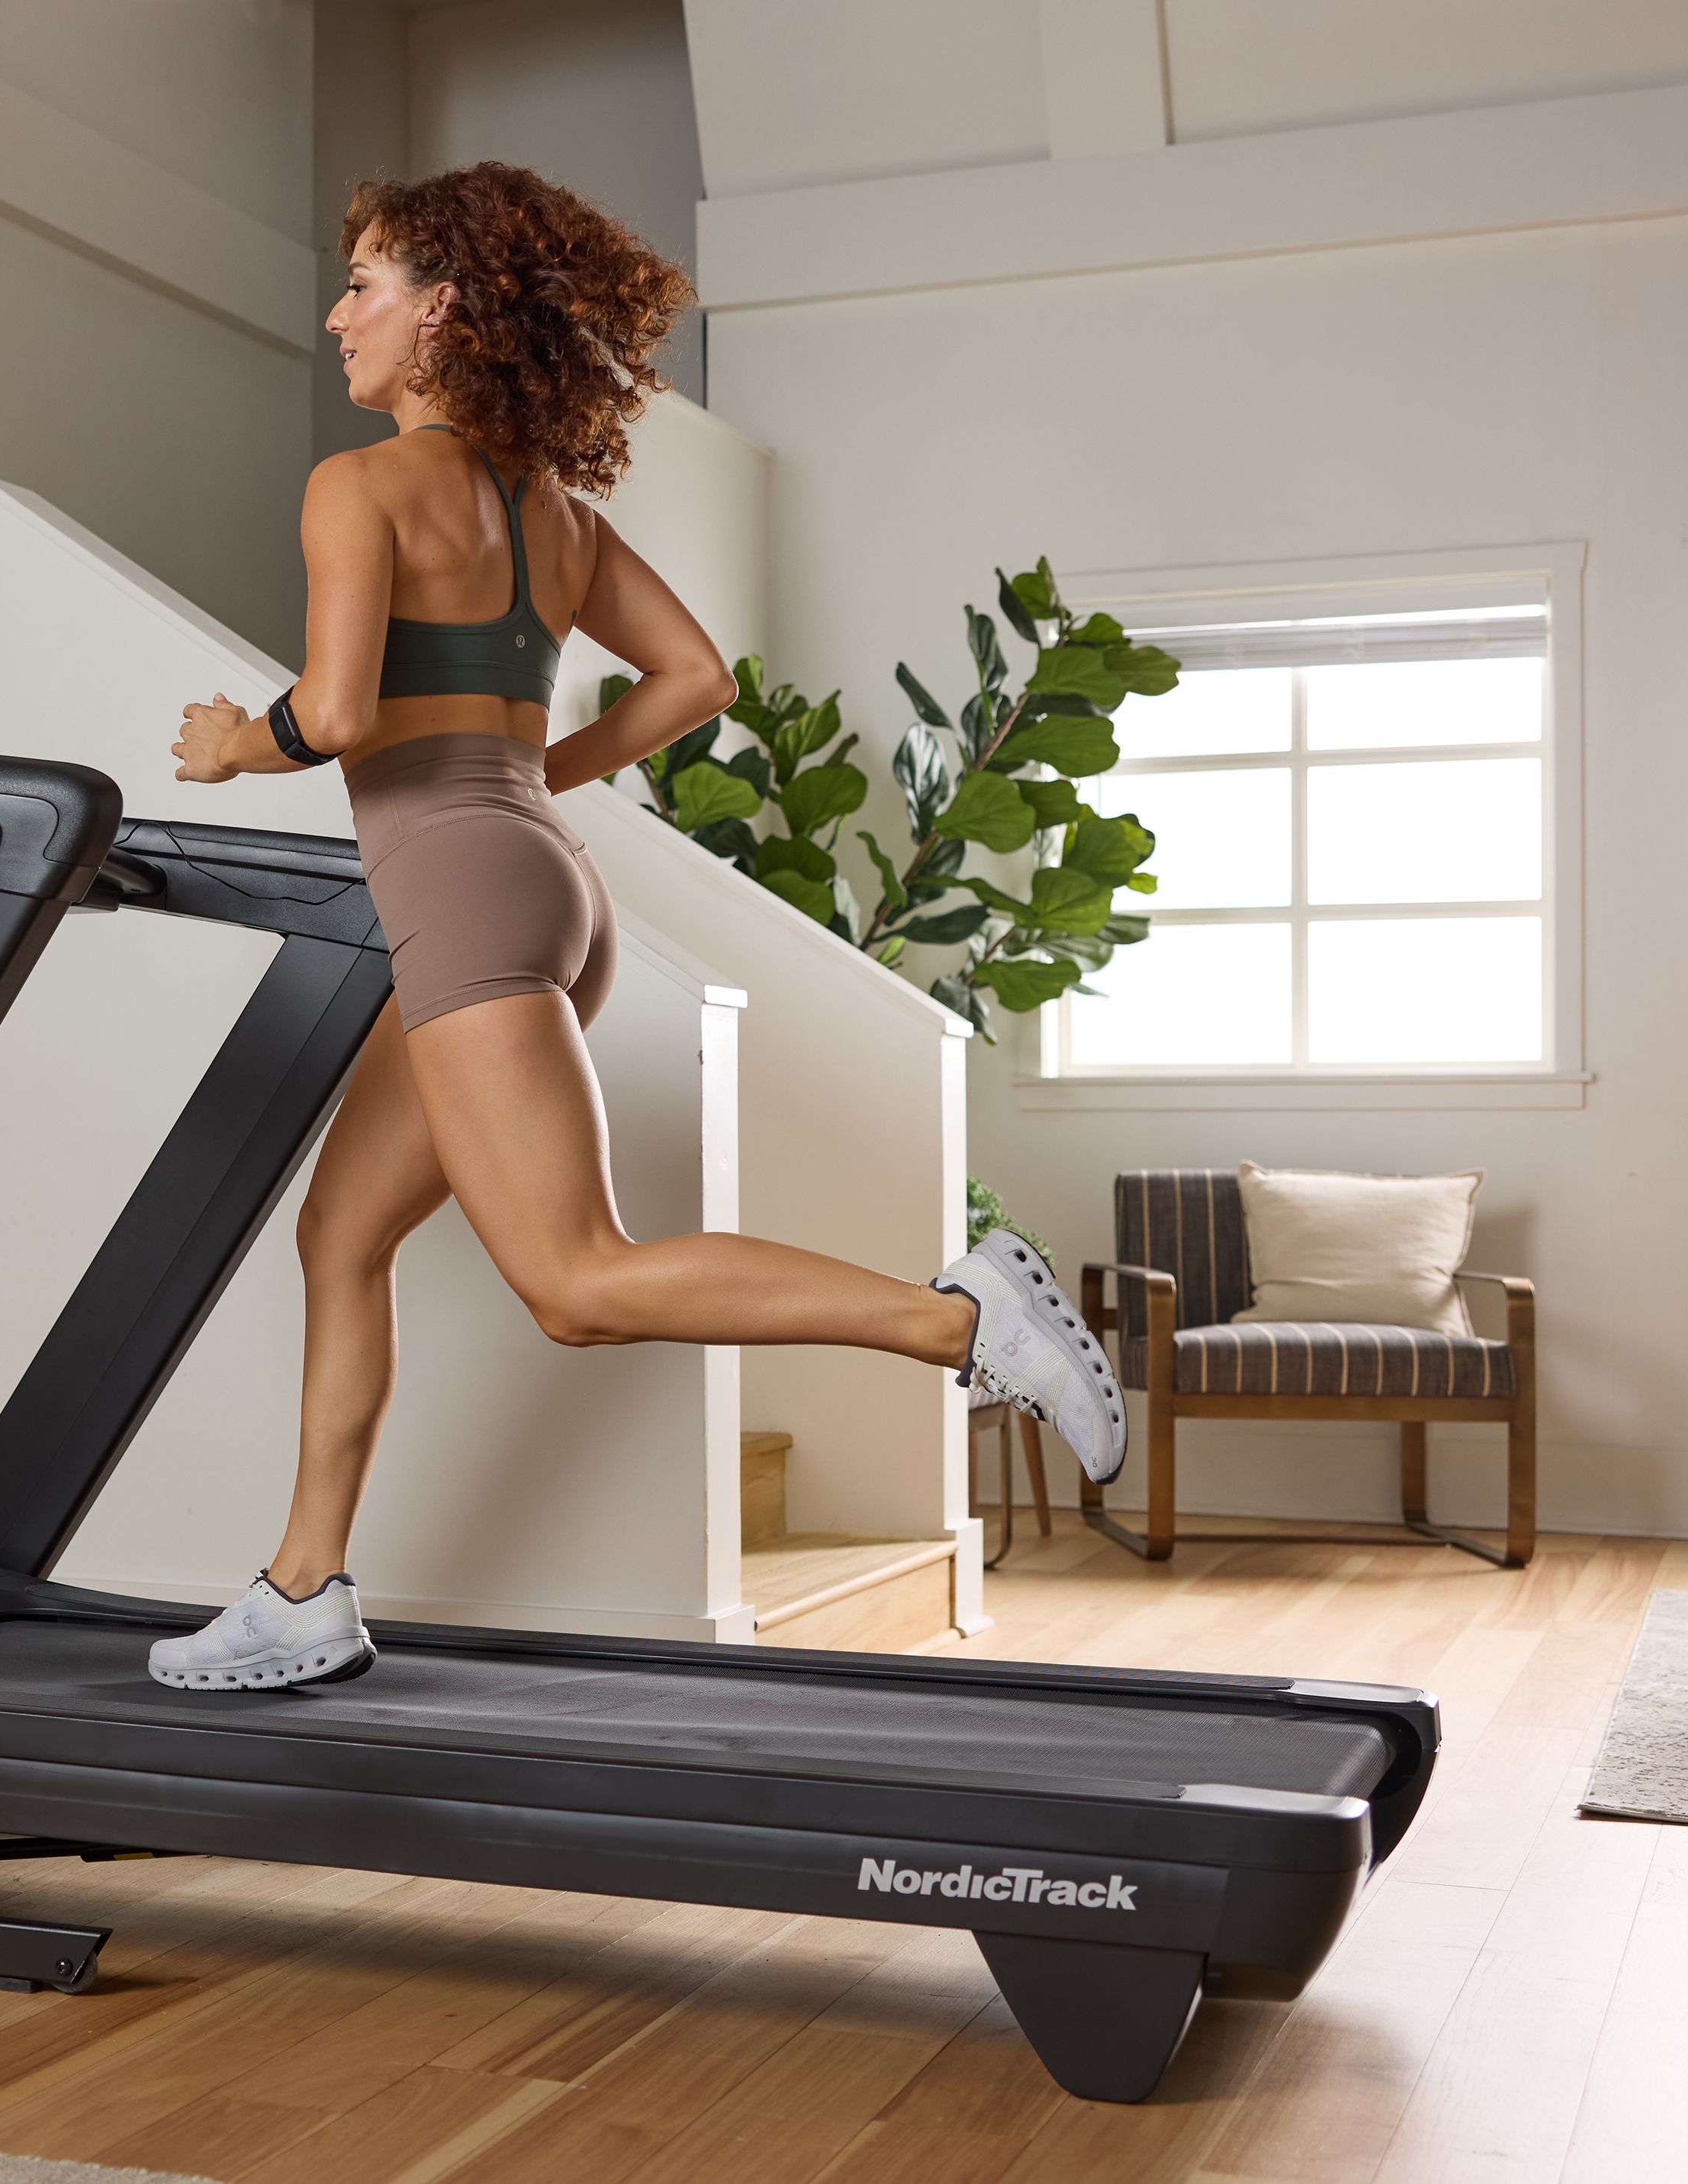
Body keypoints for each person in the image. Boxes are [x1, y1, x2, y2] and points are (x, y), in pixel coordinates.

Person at [148, 165, 1125, 1694]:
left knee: (575, 1282)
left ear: (443, 312)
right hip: (541, 877)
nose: (338, 316)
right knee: (340, 1234)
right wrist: (538, 771)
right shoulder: (556, 517)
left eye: (364, 286)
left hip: (464, 887)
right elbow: (696, 682)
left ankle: (956, 1319)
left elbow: (334, 714)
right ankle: (299, 1591)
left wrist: (230, 743)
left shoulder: (358, 488)